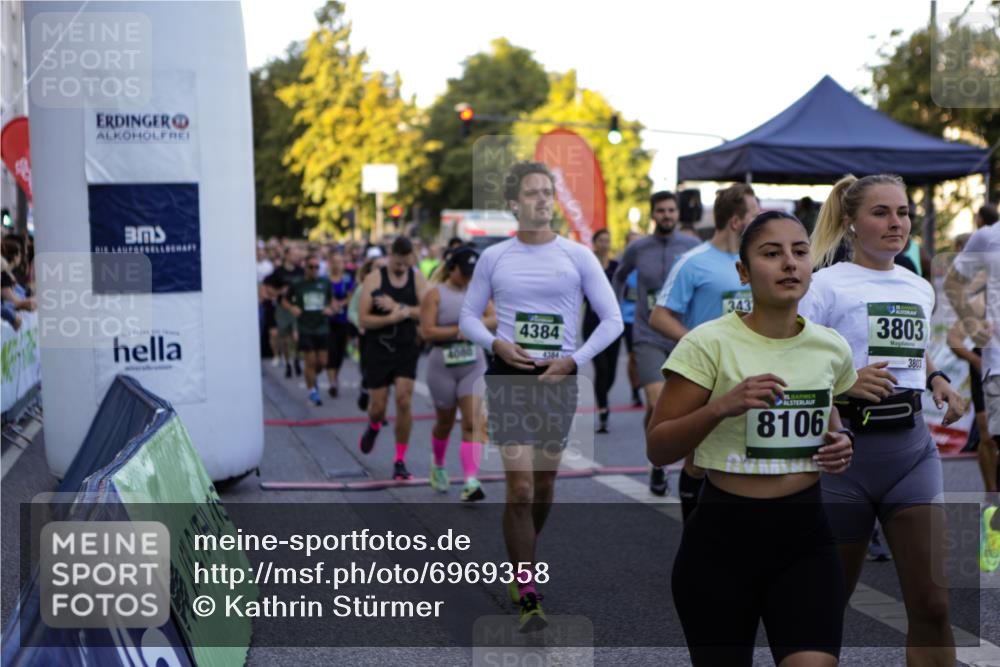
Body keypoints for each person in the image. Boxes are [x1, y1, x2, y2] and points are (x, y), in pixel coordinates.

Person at [648, 210, 857, 666]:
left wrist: (841, 444)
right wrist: (724, 404)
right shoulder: (708, 344)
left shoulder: (831, 346)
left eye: (800, 252)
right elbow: (659, 445)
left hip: (805, 537)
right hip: (722, 540)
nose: (789, 263)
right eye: (771, 253)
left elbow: (830, 421)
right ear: (743, 272)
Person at [803, 174, 966, 663]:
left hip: (911, 452)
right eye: (881, 213)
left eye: (903, 213)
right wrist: (843, 383)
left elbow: (911, 352)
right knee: (826, 608)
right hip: (843, 455)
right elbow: (794, 358)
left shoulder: (917, 285)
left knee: (934, 604)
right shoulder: (823, 285)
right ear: (851, 222)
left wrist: (936, 379)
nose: (896, 223)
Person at [459, 161, 623, 631]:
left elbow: (611, 320)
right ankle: (527, 586)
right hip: (508, 378)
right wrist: (496, 344)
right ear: (513, 204)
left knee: (546, 486)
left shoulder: (577, 256)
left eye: (547, 192)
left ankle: (523, 556)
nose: (542, 200)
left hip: (559, 380)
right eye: (532, 193)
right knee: (522, 488)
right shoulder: (495, 257)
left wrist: (574, 359)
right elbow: (469, 317)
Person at [649, 183, 758, 521]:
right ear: (737, 221)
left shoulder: (757, 260)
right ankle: (692, 531)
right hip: (708, 373)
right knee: (697, 459)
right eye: (755, 213)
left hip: (753, 368)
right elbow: (659, 315)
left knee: (748, 452)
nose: (761, 219)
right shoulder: (693, 261)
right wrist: (698, 343)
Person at [612, 191, 699, 495]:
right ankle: (658, 464)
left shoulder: (692, 247)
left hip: (683, 336)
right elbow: (619, 277)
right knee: (656, 400)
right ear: (653, 214)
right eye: (661, 210)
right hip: (647, 335)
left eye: (671, 210)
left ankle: (668, 458)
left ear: (678, 213)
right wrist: (615, 306)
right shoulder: (638, 248)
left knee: (680, 405)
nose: (667, 215)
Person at [944, 200, 1000, 572]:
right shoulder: (987, 237)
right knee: (991, 440)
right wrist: (970, 319)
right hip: (997, 362)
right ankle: (993, 523)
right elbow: (952, 282)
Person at [420, 246, 496, 501]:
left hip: (473, 363)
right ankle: (439, 465)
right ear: (452, 269)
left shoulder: (478, 292)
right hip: (442, 364)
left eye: (472, 273)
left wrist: (473, 326)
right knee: (445, 423)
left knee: (473, 422)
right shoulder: (435, 294)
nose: (468, 278)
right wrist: (456, 330)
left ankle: (470, 481)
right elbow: (427, 332)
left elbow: (494, 318)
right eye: (464, 273)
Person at [357, 236, 427, 480]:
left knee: (404, 400)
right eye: (396, 262)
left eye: (404, 262)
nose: (400, 267)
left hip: (406, 347)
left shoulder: (417, 278)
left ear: (410, 257)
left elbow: (428, 310)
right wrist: (390, 319)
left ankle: (400, 459)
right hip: (378, 348)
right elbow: (363, 319)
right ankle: (374, 425)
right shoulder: (374, 279)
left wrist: (400, 308)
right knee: (378, 408)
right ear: (391, 255)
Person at [281, 255, 335, 406]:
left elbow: (331, 301)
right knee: (310, 361)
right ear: (305, 268)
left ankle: (312, 379)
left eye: (317, 267)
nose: (314, 270)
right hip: (305, 327)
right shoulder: (297, 283)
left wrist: (330, 308)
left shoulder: (325, 282)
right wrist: (292, 307)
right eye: (311, 267)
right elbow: (284, 300)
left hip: (322, 326)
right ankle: (312, 392)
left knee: (322, 362)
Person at [583, 229, 622, 433]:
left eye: (608, 240)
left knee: (612, 372)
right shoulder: (589, 266)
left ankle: (602, 396)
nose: (605, 244)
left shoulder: (616, 267)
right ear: (594, 243)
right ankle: (604, 409)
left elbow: (624, 291)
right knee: (602, 369)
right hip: (592, 324)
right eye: (601, 240)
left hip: (613, 325)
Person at [266, 246, 304, 378]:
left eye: (297, 254)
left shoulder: (301, 271)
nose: (296, 256)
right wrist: (279, 292)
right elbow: (267, 288)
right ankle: (288, 363)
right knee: (286, 339)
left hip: (297, 307)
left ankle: (297, 359)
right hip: (283, 309)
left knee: (296, 336)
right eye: (293, 254)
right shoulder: (279, 272)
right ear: (287, 255)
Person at [325, 252, 354, 398]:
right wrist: (331, 305)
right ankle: (332, 383)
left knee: (340, 353)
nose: (336, 265)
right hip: (328, 322)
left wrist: (340, 304)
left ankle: (335, 377)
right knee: (331, 351)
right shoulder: (324, 280)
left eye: (339, 262)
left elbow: (351, 297)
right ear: (330, 263)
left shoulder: (348, 279)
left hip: (343, 320)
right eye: (334, 262)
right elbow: (323, 297)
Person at [622, 230, 643, 407]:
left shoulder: (649, 266)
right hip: (629, 318)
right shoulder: (624, 269)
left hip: (648, 318)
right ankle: (635, 390)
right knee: (634, 356)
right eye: (632, 244)